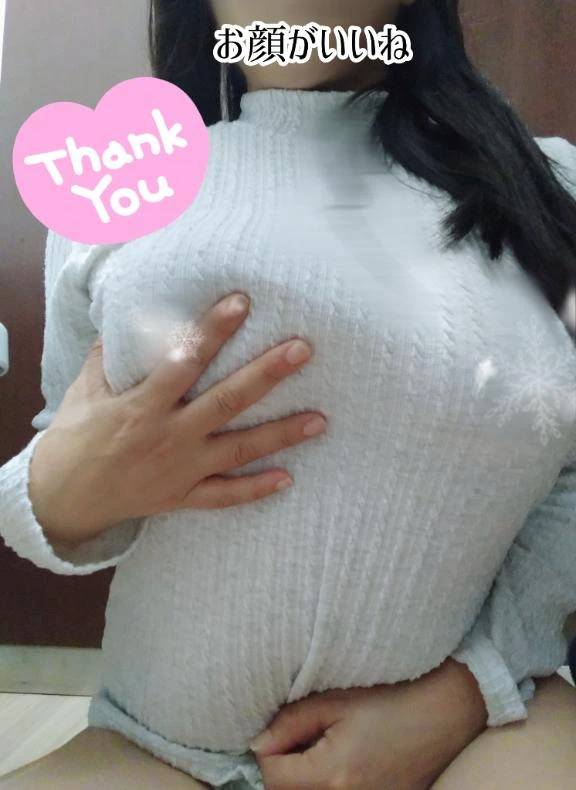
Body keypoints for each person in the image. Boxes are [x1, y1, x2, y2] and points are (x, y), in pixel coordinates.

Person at [2, 1, 576, 788]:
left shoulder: (550, 184)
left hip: (479, 730)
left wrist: (474, 688)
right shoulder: (118, 185)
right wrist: (54, 496)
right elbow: (69, 449)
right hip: (164, 743)